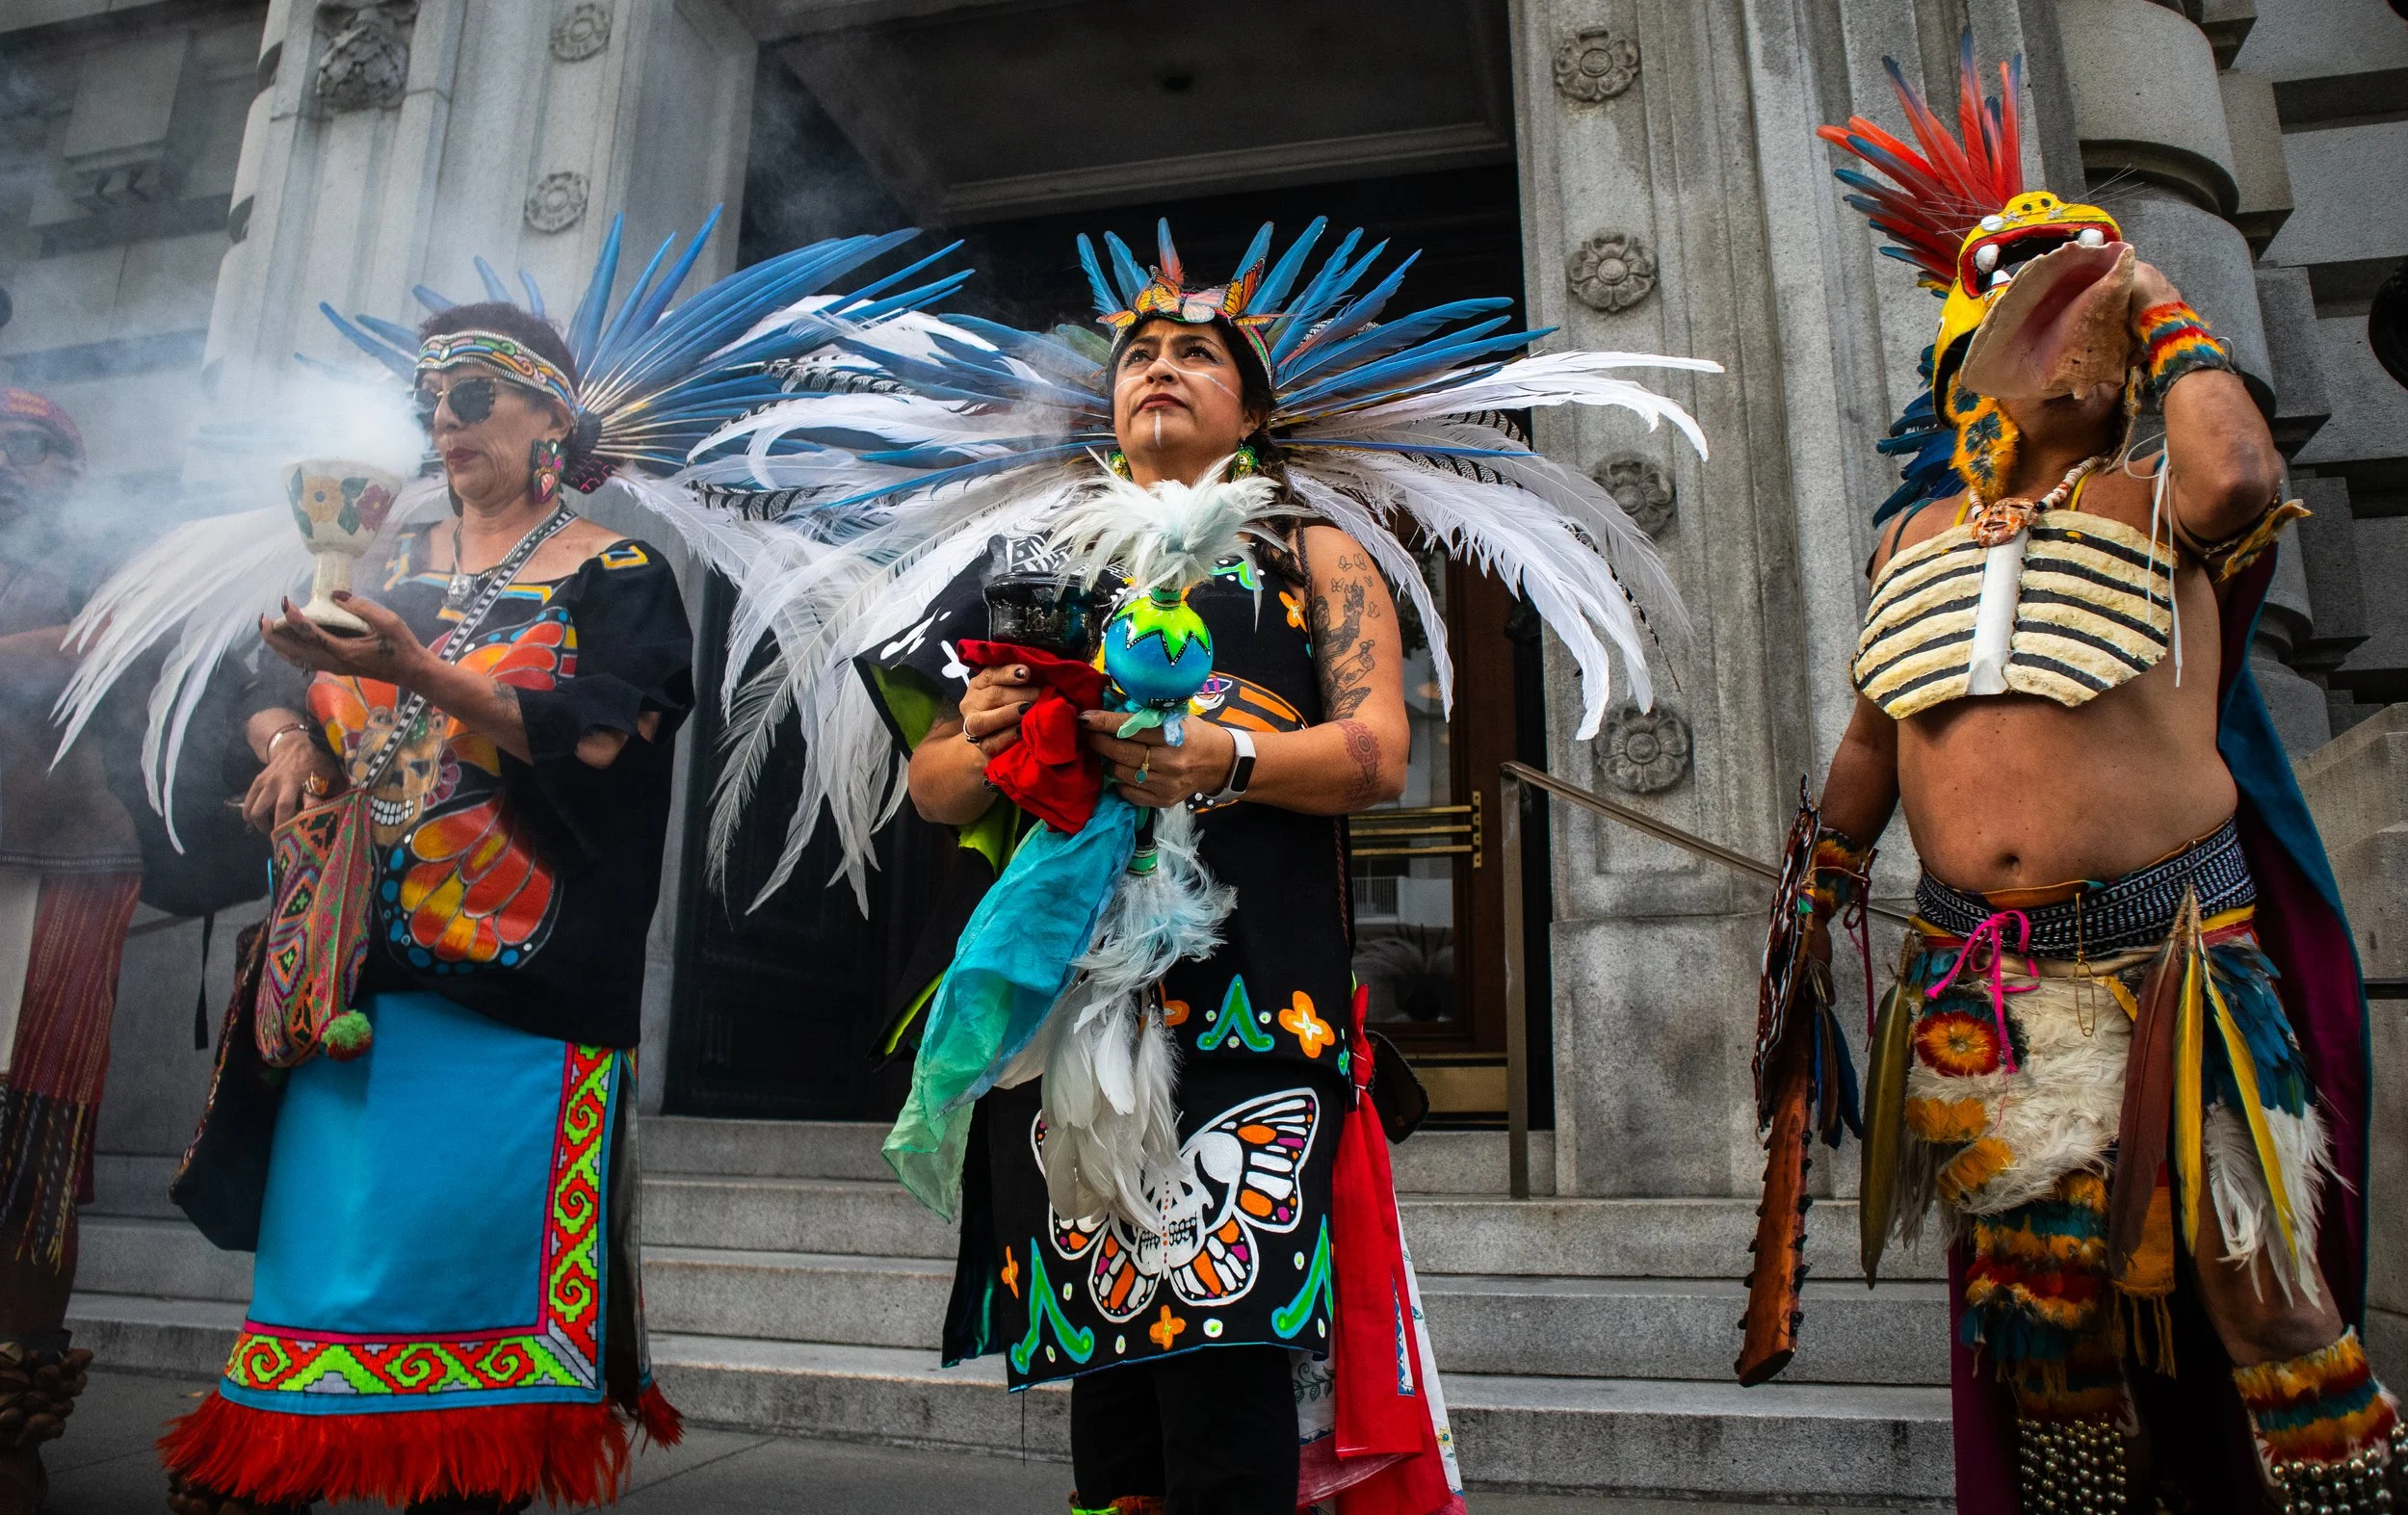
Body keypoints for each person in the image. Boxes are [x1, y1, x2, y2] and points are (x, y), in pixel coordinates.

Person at [691, 220, 1717, 1515]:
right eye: (1137, 355)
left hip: (1248, 1004)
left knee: (1225, 1375)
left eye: (1193, 352)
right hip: (1060, 1013)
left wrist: (1221, 762)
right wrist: (1000, 739)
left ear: (1256, 402)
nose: (1157, 368)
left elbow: (1376, 755)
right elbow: (934, 783)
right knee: (1109, 1379)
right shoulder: (1034, 564)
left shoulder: (1313, 553)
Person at [1810, 43, 2395, 1513]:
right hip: (1987, 988)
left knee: (2262, 1294)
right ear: (1966, 364)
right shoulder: (1906, 544)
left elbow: (2247, 482)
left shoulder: (2164, 506)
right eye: (2034, 314)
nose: (2071, 337)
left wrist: (2159, 304)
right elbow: (1877, 736)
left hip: (2177, 967)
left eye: (2091, 318)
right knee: (2041, 1331)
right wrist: (1817, 880)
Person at [154, 301, 694, 1515]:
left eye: (468, 401)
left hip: (515, 1005)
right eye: (426, 405)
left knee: (475, 1405)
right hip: (350, 994)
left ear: (550, 415)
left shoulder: (618, 574)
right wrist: (291, 736)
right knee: (310, 1324)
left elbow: (599, 737)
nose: (440, 427)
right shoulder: (379, 570)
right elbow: (258, 677)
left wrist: (414, 671)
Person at [0, 389, 140, 1515]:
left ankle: (10, 1435)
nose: (5, 468)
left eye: (28, 449)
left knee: (30, 1164)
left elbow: (116, 643)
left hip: (52, 885)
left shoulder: (107, 557)